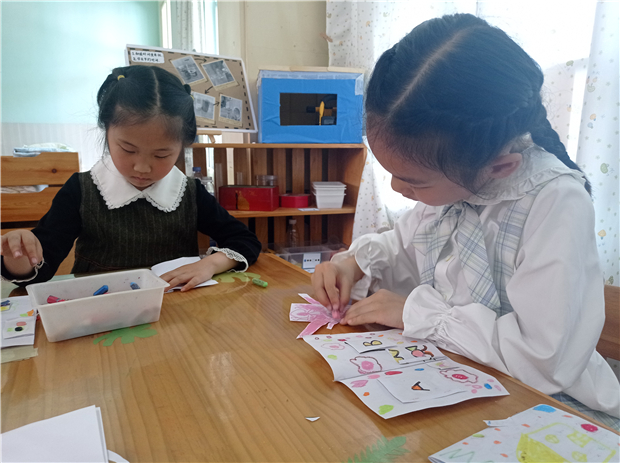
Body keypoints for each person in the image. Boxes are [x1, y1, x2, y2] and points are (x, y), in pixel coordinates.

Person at [312, 14, 619, 428]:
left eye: (413, 182)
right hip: (460, 378)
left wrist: (417, 313)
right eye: (392, 174)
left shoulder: (555, 202)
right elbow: (403, 246)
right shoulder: (453, 185)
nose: (398, 189)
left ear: (498, 167)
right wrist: (354, 264)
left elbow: (544, 361)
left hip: (553, 406)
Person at [1, 65, 261, 291]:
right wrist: (19, 255)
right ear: (106, 131)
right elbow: (40, 269)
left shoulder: (188, 192)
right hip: (101, 314)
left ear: (183, 146)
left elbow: (245, 241)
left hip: (174, 312)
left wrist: (210, 264)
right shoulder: (81, 190)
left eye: (161, 155)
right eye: (128, 149)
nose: (142, 167)